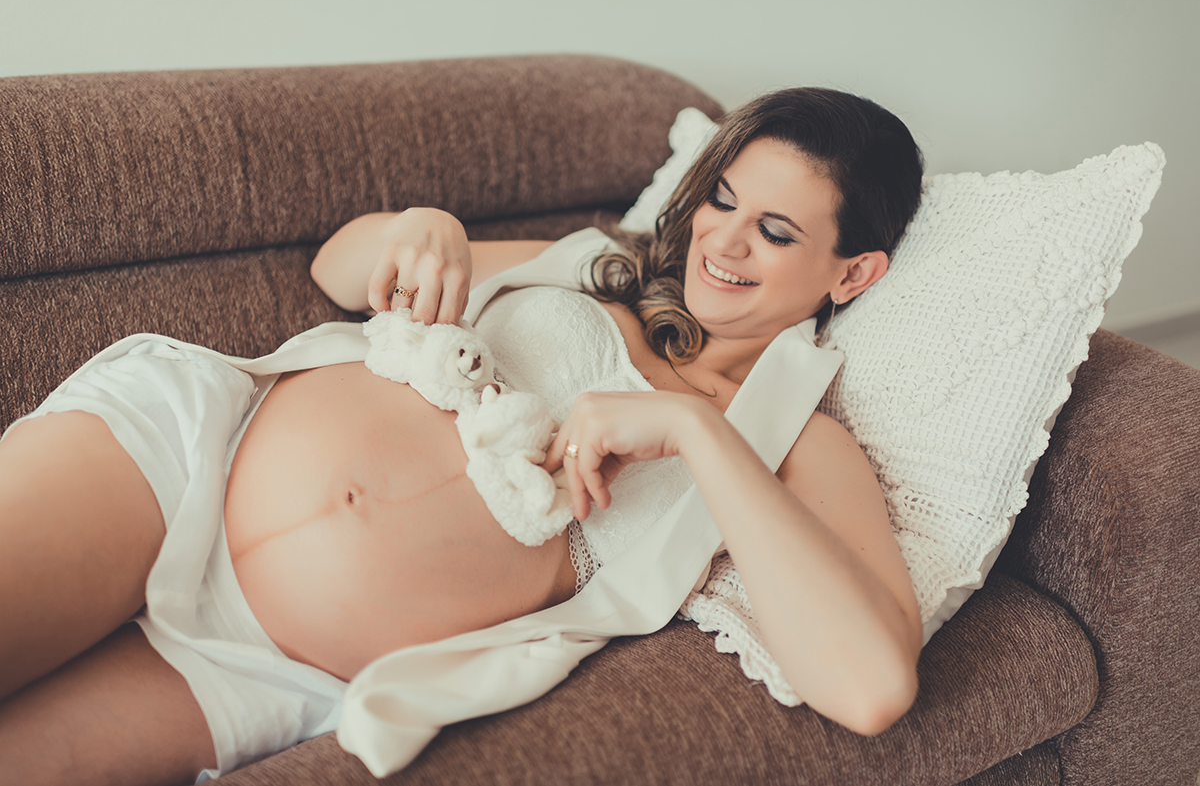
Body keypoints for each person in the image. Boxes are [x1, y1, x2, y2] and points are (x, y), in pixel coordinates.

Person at [0, 86, 925, 785]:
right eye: (721, 200)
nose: (721, 243)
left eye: (772, 230)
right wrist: (424, 228)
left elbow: (872, 685)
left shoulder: (797, 445)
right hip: (179, 455)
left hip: (267, 671)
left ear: (853, 273)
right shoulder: (592, 268)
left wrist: (694, 428)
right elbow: (341, 265)